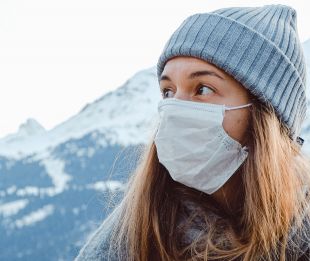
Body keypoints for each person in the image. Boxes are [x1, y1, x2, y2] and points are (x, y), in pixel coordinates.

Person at [75, 4, 310, 261]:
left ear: (265, 118)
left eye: (203, 89)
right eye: (168, 91)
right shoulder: (128, 240)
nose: (176, 109)